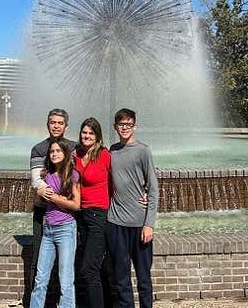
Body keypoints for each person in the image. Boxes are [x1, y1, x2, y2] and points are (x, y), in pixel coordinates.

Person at [106, 108, 159, 308]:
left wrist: (149, 224)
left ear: (134, 126)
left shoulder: (143, 151)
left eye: (128, 124)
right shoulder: (112, 150)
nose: (125, 128)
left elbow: (153, 188)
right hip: (116, 223)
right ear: (115, 127)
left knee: (144, 278)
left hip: (139, 225)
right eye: (121, 124)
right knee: (121, 279)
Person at [29, 109, 78, 305]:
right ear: (47, 124)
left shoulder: (75, 148)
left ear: (66, 126)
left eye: (60, 122)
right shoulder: (39, 149)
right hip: (44, 215)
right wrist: (44, 191)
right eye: (52, 122)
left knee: (67, 275)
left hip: (66, 219)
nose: (56, 125)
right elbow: (36, 181)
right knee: (38, 267)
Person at [74, 118, 111, 308]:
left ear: (97, 136)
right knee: (91, 268)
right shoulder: (77, 155)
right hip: (82, 216)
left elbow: (118, 180)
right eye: (84, 132)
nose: (86, 136)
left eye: (91, 133)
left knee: (89, 268)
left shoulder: (104, 155)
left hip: (99, 215)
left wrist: (142, 193)